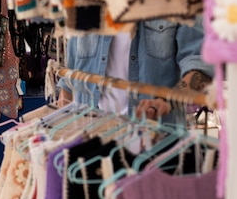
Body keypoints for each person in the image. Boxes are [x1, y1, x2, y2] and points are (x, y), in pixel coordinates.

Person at [57, 18, 214, 125]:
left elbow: (201, 66)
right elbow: (71, 75)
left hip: (155, 140)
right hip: (89, 136)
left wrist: (166, 102)